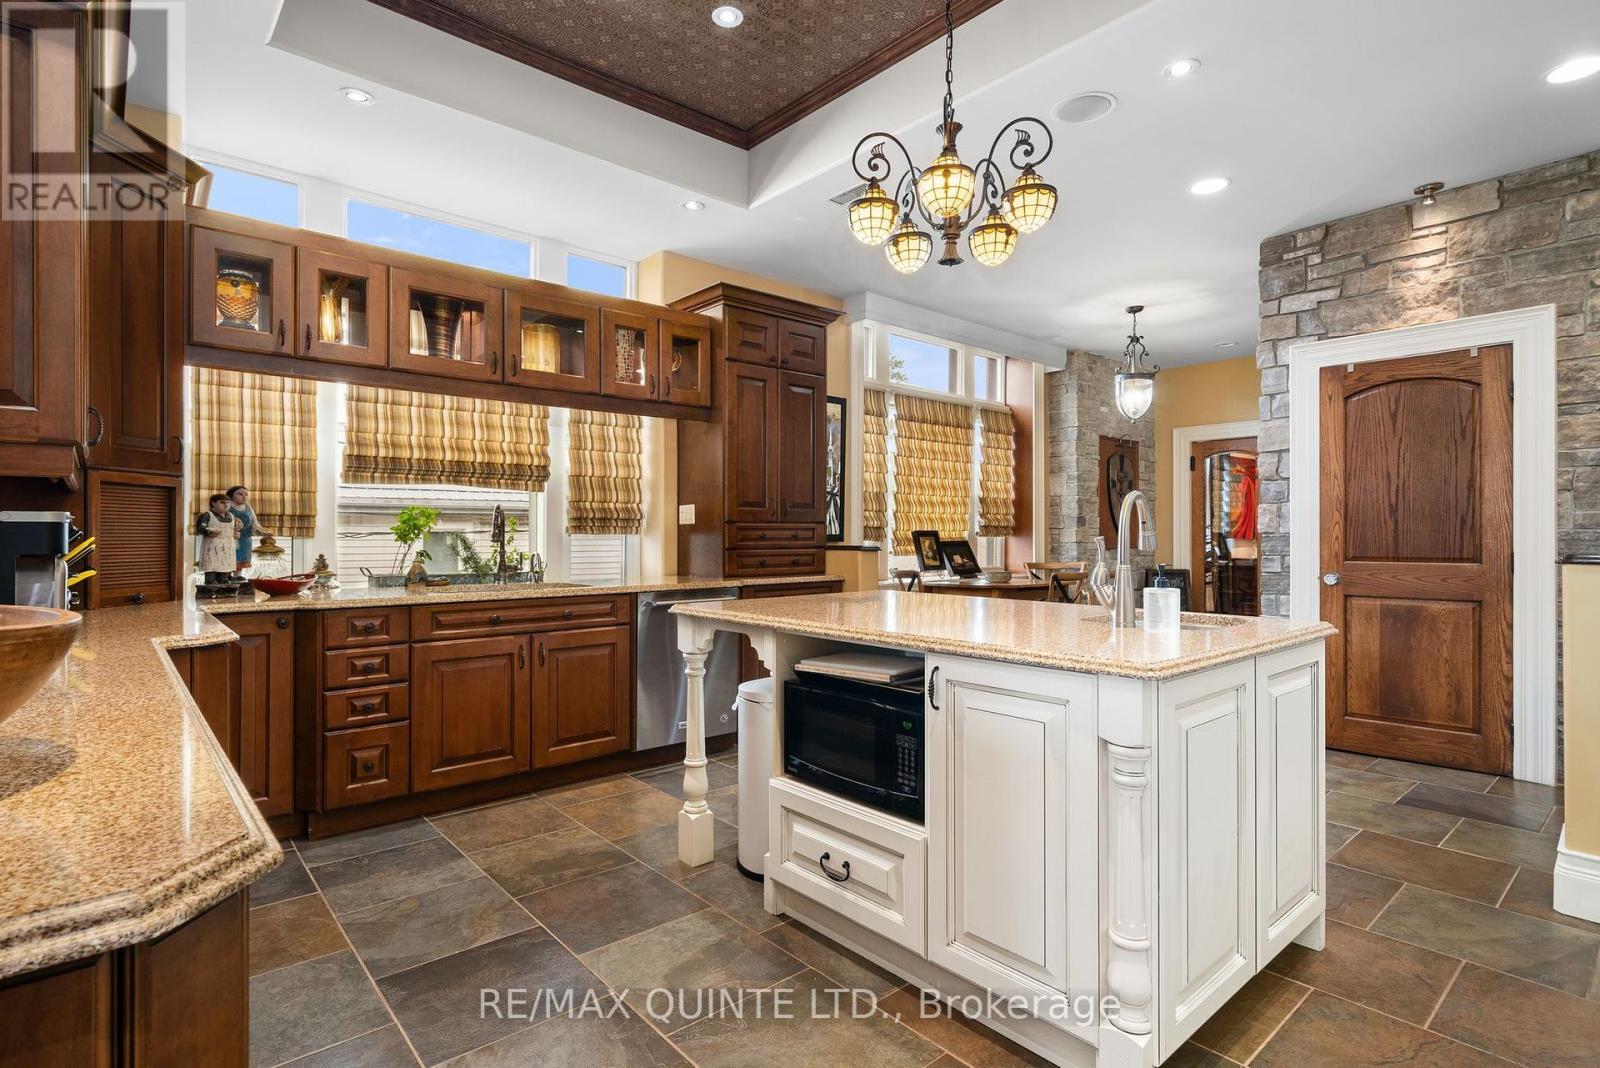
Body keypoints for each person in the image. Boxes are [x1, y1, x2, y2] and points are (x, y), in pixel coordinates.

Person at [197, 494, 242, 584]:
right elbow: (201, 528)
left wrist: (236, 533)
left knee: (225, 569)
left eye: (228, 503)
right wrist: (209, 531)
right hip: (212, 547)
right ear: (213, 503)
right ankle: (210, 585)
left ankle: (224, 583)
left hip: (228, 548)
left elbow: (234, 529)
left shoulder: (231, 517)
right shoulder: (207, 515)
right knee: (212, 568)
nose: (226, 505)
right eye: (222, 502)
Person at [227, 485, 269, 575]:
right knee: (228, 561)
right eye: (240, 494)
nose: (244, 496)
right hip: (230, 538)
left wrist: (263, 531)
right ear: (231, 496)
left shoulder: (248, 508)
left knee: (240, 563)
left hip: (245, 539)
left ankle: (237, 579)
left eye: (246, 494)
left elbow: (255, 522)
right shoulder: (227, 507)